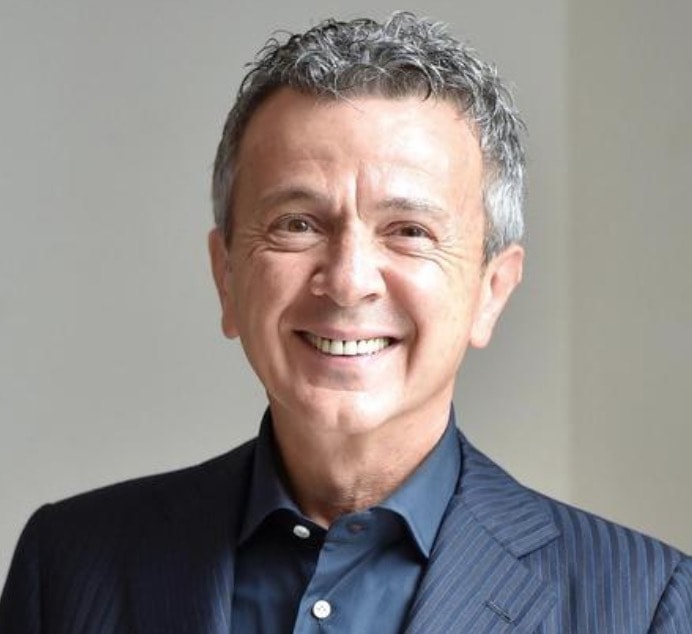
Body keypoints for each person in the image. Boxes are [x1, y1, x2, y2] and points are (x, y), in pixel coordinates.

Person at [1, 12, 690, 633]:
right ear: (227, 277)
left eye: (409, 231)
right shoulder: (68, 566)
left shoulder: (642, 604)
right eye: (297, 224)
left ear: (492, 291)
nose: (349, 279)